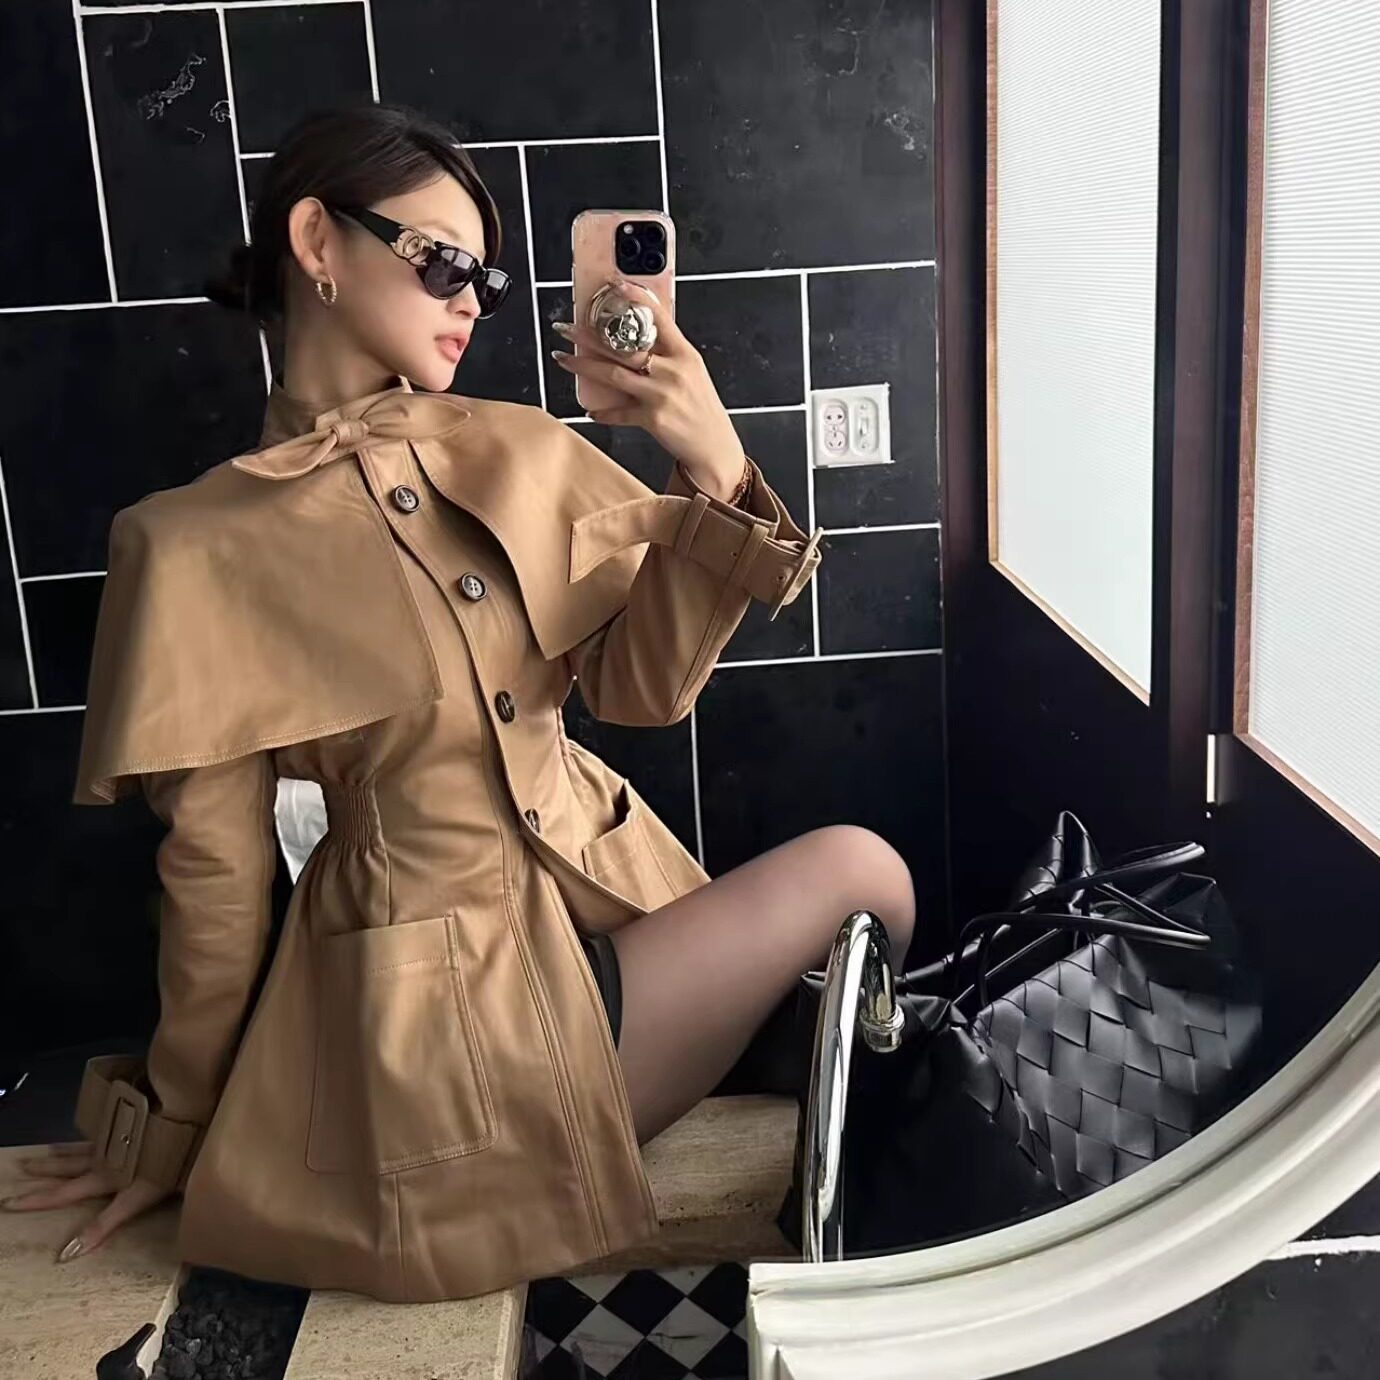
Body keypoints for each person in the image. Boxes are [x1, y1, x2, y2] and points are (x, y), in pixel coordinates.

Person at [2, 101, 916, 1302]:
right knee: (861, 871)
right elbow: (214, 886)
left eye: (482, 276)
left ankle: (866, 1168)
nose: (473, 299)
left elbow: (641, 694)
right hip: (453, 1033)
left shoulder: (517, 448)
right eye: (441, 262)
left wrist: (711, 466)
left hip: (613, 910)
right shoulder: (192, 547)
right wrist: (169, 1134)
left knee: (864, 907)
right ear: (318, 243)